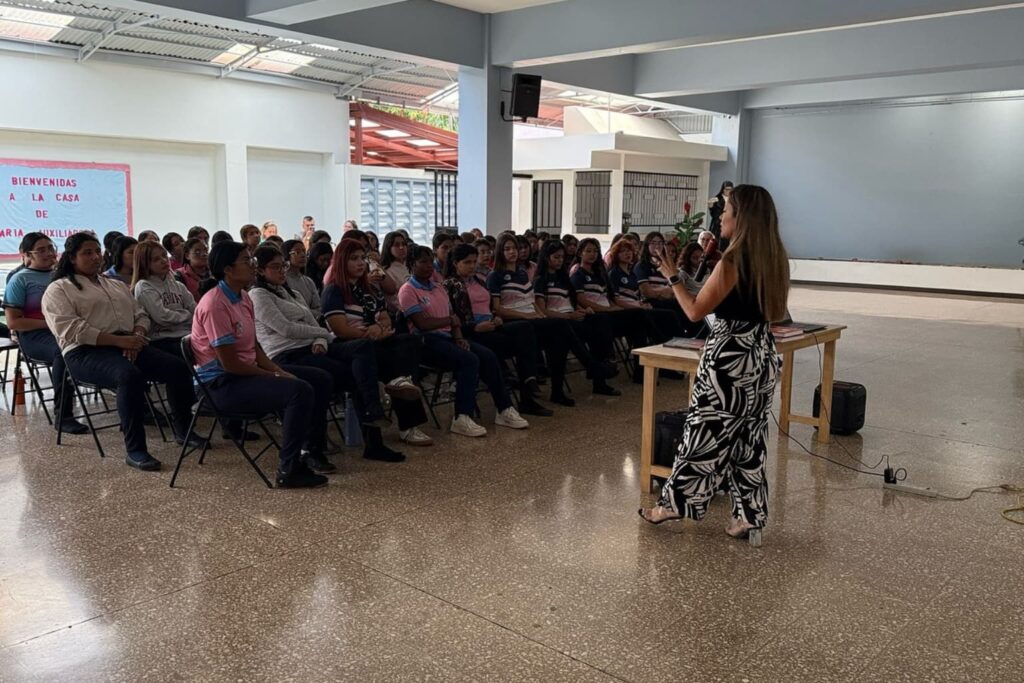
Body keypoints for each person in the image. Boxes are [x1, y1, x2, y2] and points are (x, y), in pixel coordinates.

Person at [639, 185, 790, 543]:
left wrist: (673, 277)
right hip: (760, 355)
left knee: (703, 432)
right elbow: (774, 313)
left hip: (728, 358)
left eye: (726, 210)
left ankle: (673, 504)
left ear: (742, 217)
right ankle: (748, 516)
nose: (720, 216)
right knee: (748, 439)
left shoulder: (733, 260)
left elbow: (694, 311)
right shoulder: (775, 259)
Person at [41, 233, 204, 471]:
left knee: (177, 367)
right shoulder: (59, 289)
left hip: (128, 342)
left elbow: (140, 314)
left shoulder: (114, 284)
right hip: (85, 351)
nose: (95, 257)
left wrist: (136, 336)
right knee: (128, 376)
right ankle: (136, 450)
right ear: (72, 258)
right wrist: (120, 342)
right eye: (87, 253)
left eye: (97, 251)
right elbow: (71, 329)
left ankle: (184, 430)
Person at [249, 245, 413, 461]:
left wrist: (320, 339)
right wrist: (324, 335)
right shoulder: (258, 295)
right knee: (335, 376)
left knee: (363, 349)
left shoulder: (293, 293)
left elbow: (312, 323)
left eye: (283, 266)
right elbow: (286, 329)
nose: (282, 271)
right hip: (286, 354)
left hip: (313, 347)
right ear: (260, 270)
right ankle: (316, 448)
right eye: (275, 267)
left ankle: (373, 421)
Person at [191, 241, 332, 488]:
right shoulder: (215, 304)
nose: (253, 266)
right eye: (247, 261)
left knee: (319, 378)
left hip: (244, 374)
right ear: (228, 270)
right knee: (299, 391)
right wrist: (273, 376)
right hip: (219, 384)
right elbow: (230, 364)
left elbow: (254, 348)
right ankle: (288, 469)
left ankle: (311, 450)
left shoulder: (243, 297)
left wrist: (277, 370)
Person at [400, 246, 529, 437]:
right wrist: (449, 321)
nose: (428, 266)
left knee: (488, 356)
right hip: (426, 342)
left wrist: (459, 337)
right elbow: (422, 323)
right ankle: (462, 416)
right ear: (411, 264)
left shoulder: (438, 287)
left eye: (430, 261)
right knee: (469, 360)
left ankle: (504, 409)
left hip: (449, 337)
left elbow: (454, 318)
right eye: (422, 262)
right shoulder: (408, 290)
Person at [321, 238, 432, 447]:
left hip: (373, 340)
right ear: (342, 261)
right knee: (383, 357)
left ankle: (400, 387)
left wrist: (379, 330)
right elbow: (340, 329)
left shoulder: (368, 289)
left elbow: (385, 318)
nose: (360, 263)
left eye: (362, 258)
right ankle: (397, 398)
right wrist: (370, 333)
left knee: (410, 341)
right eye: (354, 258)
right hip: (347, 345)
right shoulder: (334, 290)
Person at [489, 233, 612, 405]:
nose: (512, 252)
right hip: (515, 323)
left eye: (514, 248)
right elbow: (497, 308)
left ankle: (559, 391)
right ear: (499, 252)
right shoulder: (495, 276)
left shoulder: (522, 274)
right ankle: (592, 366)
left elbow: (531, 302)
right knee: (561, 327)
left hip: (533, 320)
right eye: (507, 249)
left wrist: (538, 314)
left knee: (567, 335)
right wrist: (529, 315)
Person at [442, 242, 553, 417]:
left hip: (491, 326)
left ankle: (528, 385)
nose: (472, 266)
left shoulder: (478, 281)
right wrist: (476, 327)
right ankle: (524, 391)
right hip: (472, 332)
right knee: (521, 344)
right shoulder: (450, 285)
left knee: (525, 330)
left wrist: (495, 317)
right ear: (456, 263)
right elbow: (453, 318)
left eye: (474, 262)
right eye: (467, 262)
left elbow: (489, 307)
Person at [3, 233, 88, 434]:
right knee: (63, 351)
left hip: (64, 330)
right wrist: (51, 324)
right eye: (41, 250)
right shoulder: (20, 279)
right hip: (34, 335)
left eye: (51, 248)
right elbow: (14, 321)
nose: (49, 253)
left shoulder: (63, 276)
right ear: (27, 255)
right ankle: (64, 415)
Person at [532, 240, 624, 394]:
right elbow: (542, 311)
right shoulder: (541, 280)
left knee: (600, 321)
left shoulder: (563, 278)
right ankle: (593, 369)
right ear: (546, 258)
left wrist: (582, 310)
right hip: (555, 322)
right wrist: (568, 316)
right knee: (562, 334)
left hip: (572, 318)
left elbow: (572, 303)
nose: (560, 261)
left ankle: (600, 376)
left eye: (562, 257)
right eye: (556, 257)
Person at [131, 240, 196, 360]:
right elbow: (162, 317)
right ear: (145, 264)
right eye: (156, 259)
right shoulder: (144, 286)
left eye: (164, 255)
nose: (164, 260)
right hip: (163, 340)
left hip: (187, 334)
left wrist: (189, 317)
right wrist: (187, 315)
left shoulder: (178, 285)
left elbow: (194, 310)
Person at [280, 239, 321, 317]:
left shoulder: (309, 281)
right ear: (286, 255)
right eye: (297, 252)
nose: (303, 255)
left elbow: (318, 309)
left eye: (304, 251)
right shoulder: (281, 280)